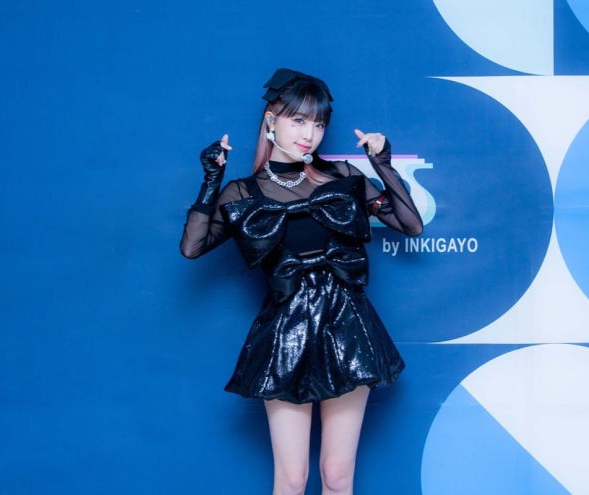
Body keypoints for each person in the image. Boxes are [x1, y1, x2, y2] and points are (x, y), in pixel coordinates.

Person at [180, 68, 423, 495]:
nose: (309, 134)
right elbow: (192, 248)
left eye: (319, 123)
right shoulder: (243, 192)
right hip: (285, 330)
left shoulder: (342, 176)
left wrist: (381, 163)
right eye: (298, 121)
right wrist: (211, 182)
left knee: (337, 476)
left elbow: (411, 225)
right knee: (292, 480)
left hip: (347, 326)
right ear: (271, 121)